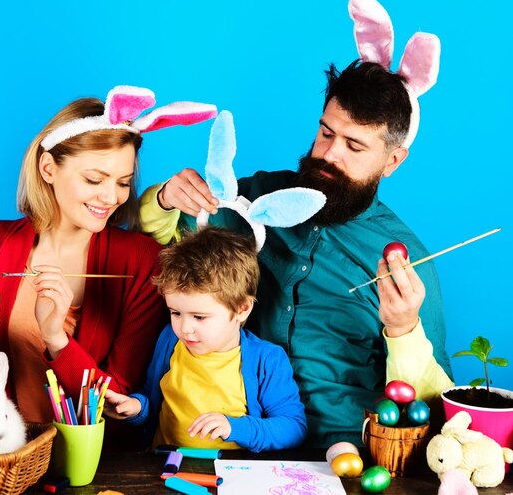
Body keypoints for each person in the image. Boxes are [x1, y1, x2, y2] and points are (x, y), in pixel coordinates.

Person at [139, 61, 455, 447]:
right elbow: (160, 240)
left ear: (392, 160)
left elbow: (435, 403)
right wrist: (164, 199)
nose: (329, 154)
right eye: (326, 133)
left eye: (354, 146)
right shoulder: (252, 199)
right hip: (240, 444)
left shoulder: (405, 262)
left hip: (342, 457)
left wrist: (404, 329)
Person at [0, 86, 216, 442]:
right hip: (0, 456)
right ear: (48, 168)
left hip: (98, 464)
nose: (111, 198)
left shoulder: (141, 261)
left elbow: (119, 402)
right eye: (94, 179)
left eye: (122, 182)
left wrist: (57, 339)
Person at [103, 226, 307, 453]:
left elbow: (293, 427)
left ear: (242, 309)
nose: (184, 328)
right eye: (175, 312)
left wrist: (234, 427)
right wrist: (136, 407)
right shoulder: (170, 340)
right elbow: (153, 398)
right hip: (163, 468)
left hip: (231, 475)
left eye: (199, 317)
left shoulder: (267, 360)